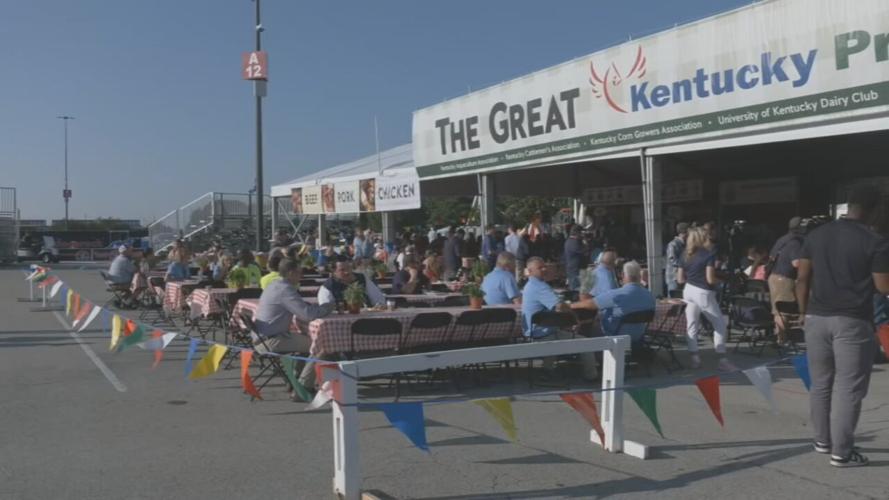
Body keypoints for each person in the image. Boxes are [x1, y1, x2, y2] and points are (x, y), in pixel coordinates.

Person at [796, 185, 889, 467]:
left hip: (815, 318)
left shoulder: (816, 234)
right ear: (875, 210)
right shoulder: (875, 241)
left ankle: (822, 441)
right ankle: (842, 452)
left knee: (821, 384)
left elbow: (802, 279)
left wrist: (802, 313)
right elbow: (883, 286)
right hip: (852, 321)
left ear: (848, 205)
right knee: (848, 388)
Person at [254, 259, 335, 397]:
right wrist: (328, 307)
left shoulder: (275, 285)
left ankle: (295, 381)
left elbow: (300, 308)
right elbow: (307, 314)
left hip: (263, 337)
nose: (301, 275)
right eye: (299, 272)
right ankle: (302, 387)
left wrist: (314, 308)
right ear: (291, 273)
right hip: (271, 341)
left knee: (309, 341)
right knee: (322, 345)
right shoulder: (285, 289)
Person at [521, 257, 597, 381]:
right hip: (544, 336)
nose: (544, 269)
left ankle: (548, 370)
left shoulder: (530, 286)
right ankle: (591, 377)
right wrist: (574, 316)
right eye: (540, 268)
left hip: (533, 334)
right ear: (530, 271)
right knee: (586, 343)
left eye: (544, 266)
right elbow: (560, 306)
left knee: (555, 331)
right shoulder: (540, 286)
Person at [677, 227, 734, 371]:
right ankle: (722, 359)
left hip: (688, 289)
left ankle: (695, 358)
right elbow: (710, 279)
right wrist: (720, 281)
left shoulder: (684, 254)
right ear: (702, 238)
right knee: (720, 324)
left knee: (692, 325)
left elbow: (680, 279)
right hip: (703, 292)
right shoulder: (708, 254)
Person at [571, 261, 655, 343]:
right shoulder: (650, 296)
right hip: (638, 337)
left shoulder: (616, 295)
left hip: (615, 338)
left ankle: (587, 355)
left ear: (623, 275)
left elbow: (588, 304)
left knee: (587, 327)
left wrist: (570, 305)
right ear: (640, 276)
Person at [768, 217, 804, 343]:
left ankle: (779, 338)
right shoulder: (795, 242)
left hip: (774, 277)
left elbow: (771, 256)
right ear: (800, 228)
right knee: (784, 312)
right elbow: (796, 263)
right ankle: (780, 340)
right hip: (784, 279)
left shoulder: (782, 239)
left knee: (777, 310)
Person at [318, 260, 386, 307]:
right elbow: (325, 309)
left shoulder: (362, 278)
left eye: (349, 268)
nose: (347, 272)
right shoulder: (327, 287)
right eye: (342, 270)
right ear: (334, 272)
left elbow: (378, 298)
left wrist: (379, 306)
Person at [665, 222, 689, 295]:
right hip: (673, 278)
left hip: (683, 277)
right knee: (674, 300)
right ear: (683, 232)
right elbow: (673, 260)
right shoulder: (673, 244)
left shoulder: (686, 244)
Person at [563, 226, 586, 291]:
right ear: (577, 233)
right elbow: (584, 250)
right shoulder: (573, 242)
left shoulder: (572, 241)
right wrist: (585, 242)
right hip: (575, 270)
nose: (583, 234)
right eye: (581, 232)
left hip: (576, 269)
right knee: (576, 289)